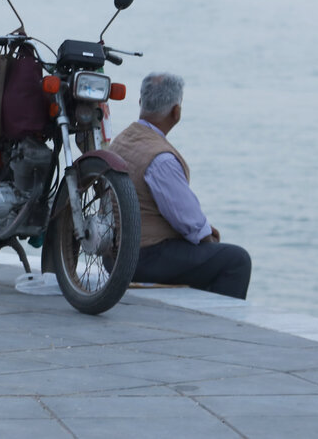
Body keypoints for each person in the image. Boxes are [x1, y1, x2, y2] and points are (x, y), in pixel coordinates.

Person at [106, 72, 251, 299]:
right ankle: (215, 320)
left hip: (113, 255)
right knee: (236, 260)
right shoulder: (160, 159)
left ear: (141, 102)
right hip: (142, 257)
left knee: (205, 257)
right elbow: (187, 220)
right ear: (177, 112)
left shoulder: (122, 141)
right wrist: (208, 239)